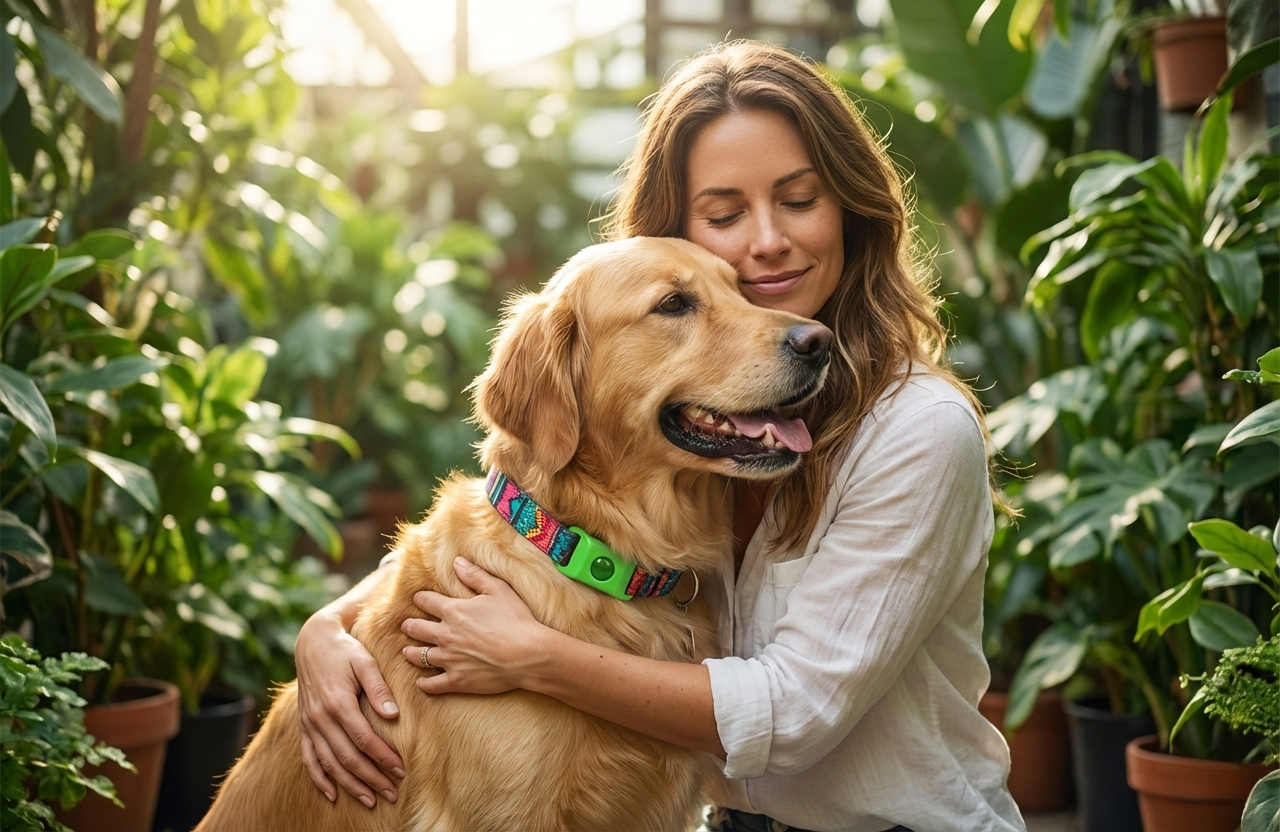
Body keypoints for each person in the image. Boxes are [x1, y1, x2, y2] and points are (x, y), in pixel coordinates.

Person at [292, 41, 1025, 832]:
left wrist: (535, 656)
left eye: (801, 199)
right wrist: (329, 627)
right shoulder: (695, 455)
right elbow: (504, 523)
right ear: (676, 235)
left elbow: (796, 710)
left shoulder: (914, 430)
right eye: (723, 216)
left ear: (850, 209)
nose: (767, 240)